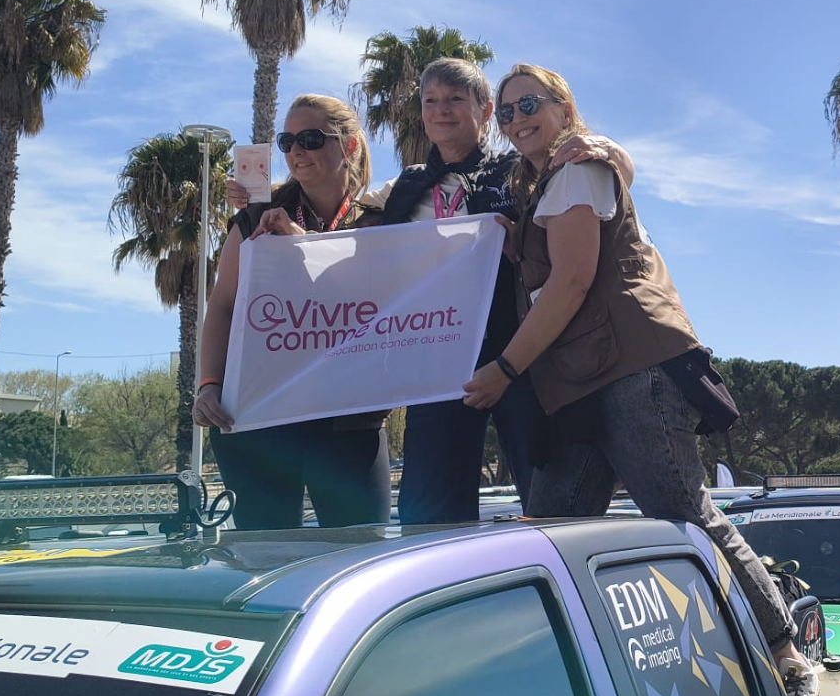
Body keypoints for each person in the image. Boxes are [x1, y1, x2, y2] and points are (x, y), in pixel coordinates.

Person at [462, 64, 821, 696]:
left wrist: (504, 370)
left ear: (563, 106)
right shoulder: (538, 181)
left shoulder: (577, 170)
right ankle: (559, 695)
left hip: (632, 372)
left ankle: (789, 662)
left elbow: (571, 283)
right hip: (574, 387)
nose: (516, 120)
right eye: (506, 112)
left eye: (529, 104)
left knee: (684, 515)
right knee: (551, 533)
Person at [224, 58, 632, 525]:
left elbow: (607, 173)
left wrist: (607, 147)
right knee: (429, 513)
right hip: (436, 366)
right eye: (430, 101)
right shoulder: (403, 189)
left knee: (547, 503)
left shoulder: (523, 170)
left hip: (523, 359)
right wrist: (268, 208)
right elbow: (346, 240)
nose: (442, 111)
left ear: (483, 112)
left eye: (457, 99)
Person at [194, 94, 390, 530]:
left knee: (361, 559)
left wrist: (298, 241)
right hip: (258, 418)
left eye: (311, 138)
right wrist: (209, 385)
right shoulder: (256, 217)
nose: (296, 151)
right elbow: (223, 305)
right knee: (265, 565)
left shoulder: (378, 222)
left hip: (348, 421)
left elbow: (369, 301)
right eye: (287, 141)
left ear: (350, 146)